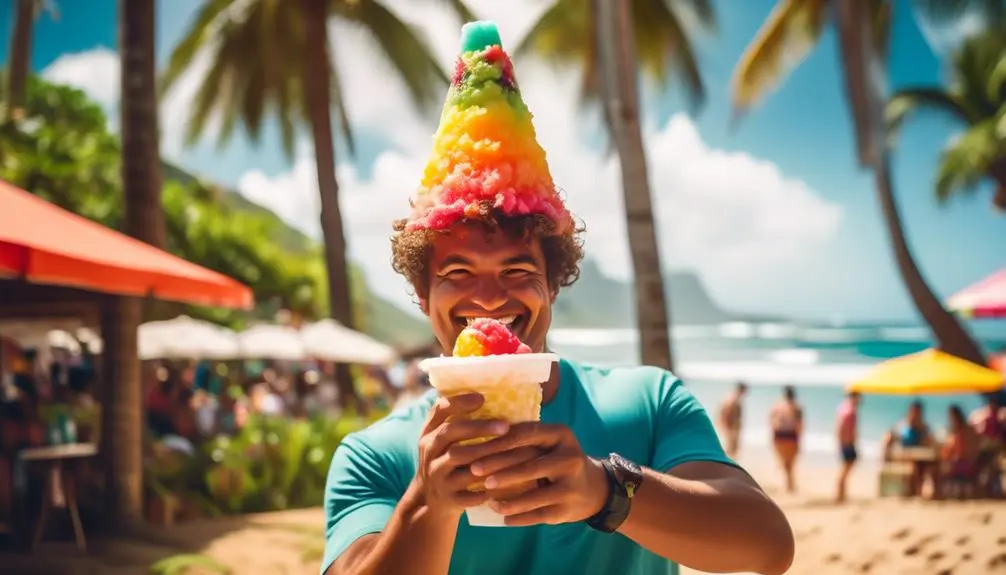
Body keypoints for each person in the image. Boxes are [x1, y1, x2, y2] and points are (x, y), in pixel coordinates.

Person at [321, 21, 794, 575]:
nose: (490, 296)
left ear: (554, 282)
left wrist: (606, 491)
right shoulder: (375, 456)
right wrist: (430, 501)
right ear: (423, 296)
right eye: (457, 271)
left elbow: (766, 547)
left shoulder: (647, 402)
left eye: (518, 268)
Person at [941, 405, 981, 499]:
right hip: (974, 463)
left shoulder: (959, 432)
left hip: (963, 465)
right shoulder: (970, 429)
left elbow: (957, 451)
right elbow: (977, 444)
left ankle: (940, 494)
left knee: (940, 467)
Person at [769, 385, 803, 494]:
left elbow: (772, 422)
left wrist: (773, 438)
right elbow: (799, 425)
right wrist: (799, 440)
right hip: (790, 435)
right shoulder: (797, 407)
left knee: (784, 462)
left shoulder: (776, 406)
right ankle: (790, 485)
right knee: (791, 463)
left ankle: (789, 484)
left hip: (779, 435)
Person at [835, 391, 860, 503]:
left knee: (845, 470)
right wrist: (844, 442)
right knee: (845, 471)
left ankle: (842, 494)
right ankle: (840, 495)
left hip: (845, 443)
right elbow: (842, 427)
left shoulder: (843, 408)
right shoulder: (850, 411)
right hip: (847, 443)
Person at [717, 382, 747, 458]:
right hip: (731, 428)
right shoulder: (734, 399)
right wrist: (729, 429)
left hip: (731, 428)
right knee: (731, 450)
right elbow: (727, 413)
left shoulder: (731, 398)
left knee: (731, 450)